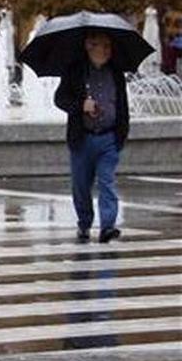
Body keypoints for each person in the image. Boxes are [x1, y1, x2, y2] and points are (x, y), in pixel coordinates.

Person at [54, 31, 129, 244]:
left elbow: (122, 104)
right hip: (83, 138)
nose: (106, 50)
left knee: (107, 182)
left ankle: (108, 226)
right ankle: (84, 223)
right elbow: (60, 99)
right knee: (81, 185)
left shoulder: (115, 72)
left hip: (108, 138)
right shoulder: (75, 71)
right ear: (89, 46)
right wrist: (81, 105)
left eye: (108, 46)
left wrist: (120, 134)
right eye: (102, 46)